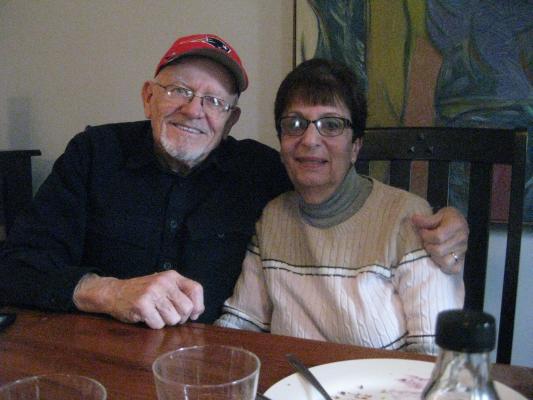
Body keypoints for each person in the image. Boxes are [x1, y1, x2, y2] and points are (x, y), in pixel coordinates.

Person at [0, 34, 467, 329]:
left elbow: (331, 186)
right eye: (179, 90)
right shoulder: (94, 154)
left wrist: (448, 219)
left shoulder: (259, 172)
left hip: (204, 365)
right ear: (147, 97)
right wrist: (109, 292)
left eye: (215, 101)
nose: (194, 110)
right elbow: (15, 268)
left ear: (231, 120)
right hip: (95, 355)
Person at [215, 58, 464, 354]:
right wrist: (206, 361)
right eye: (295, 124)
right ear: (281, 143)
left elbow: (432, 352)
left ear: (355, 146)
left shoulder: (408, 219)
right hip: (290, 378)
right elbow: (242, 322)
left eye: (331, 125)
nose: (309, 140)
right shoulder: (273, 217)